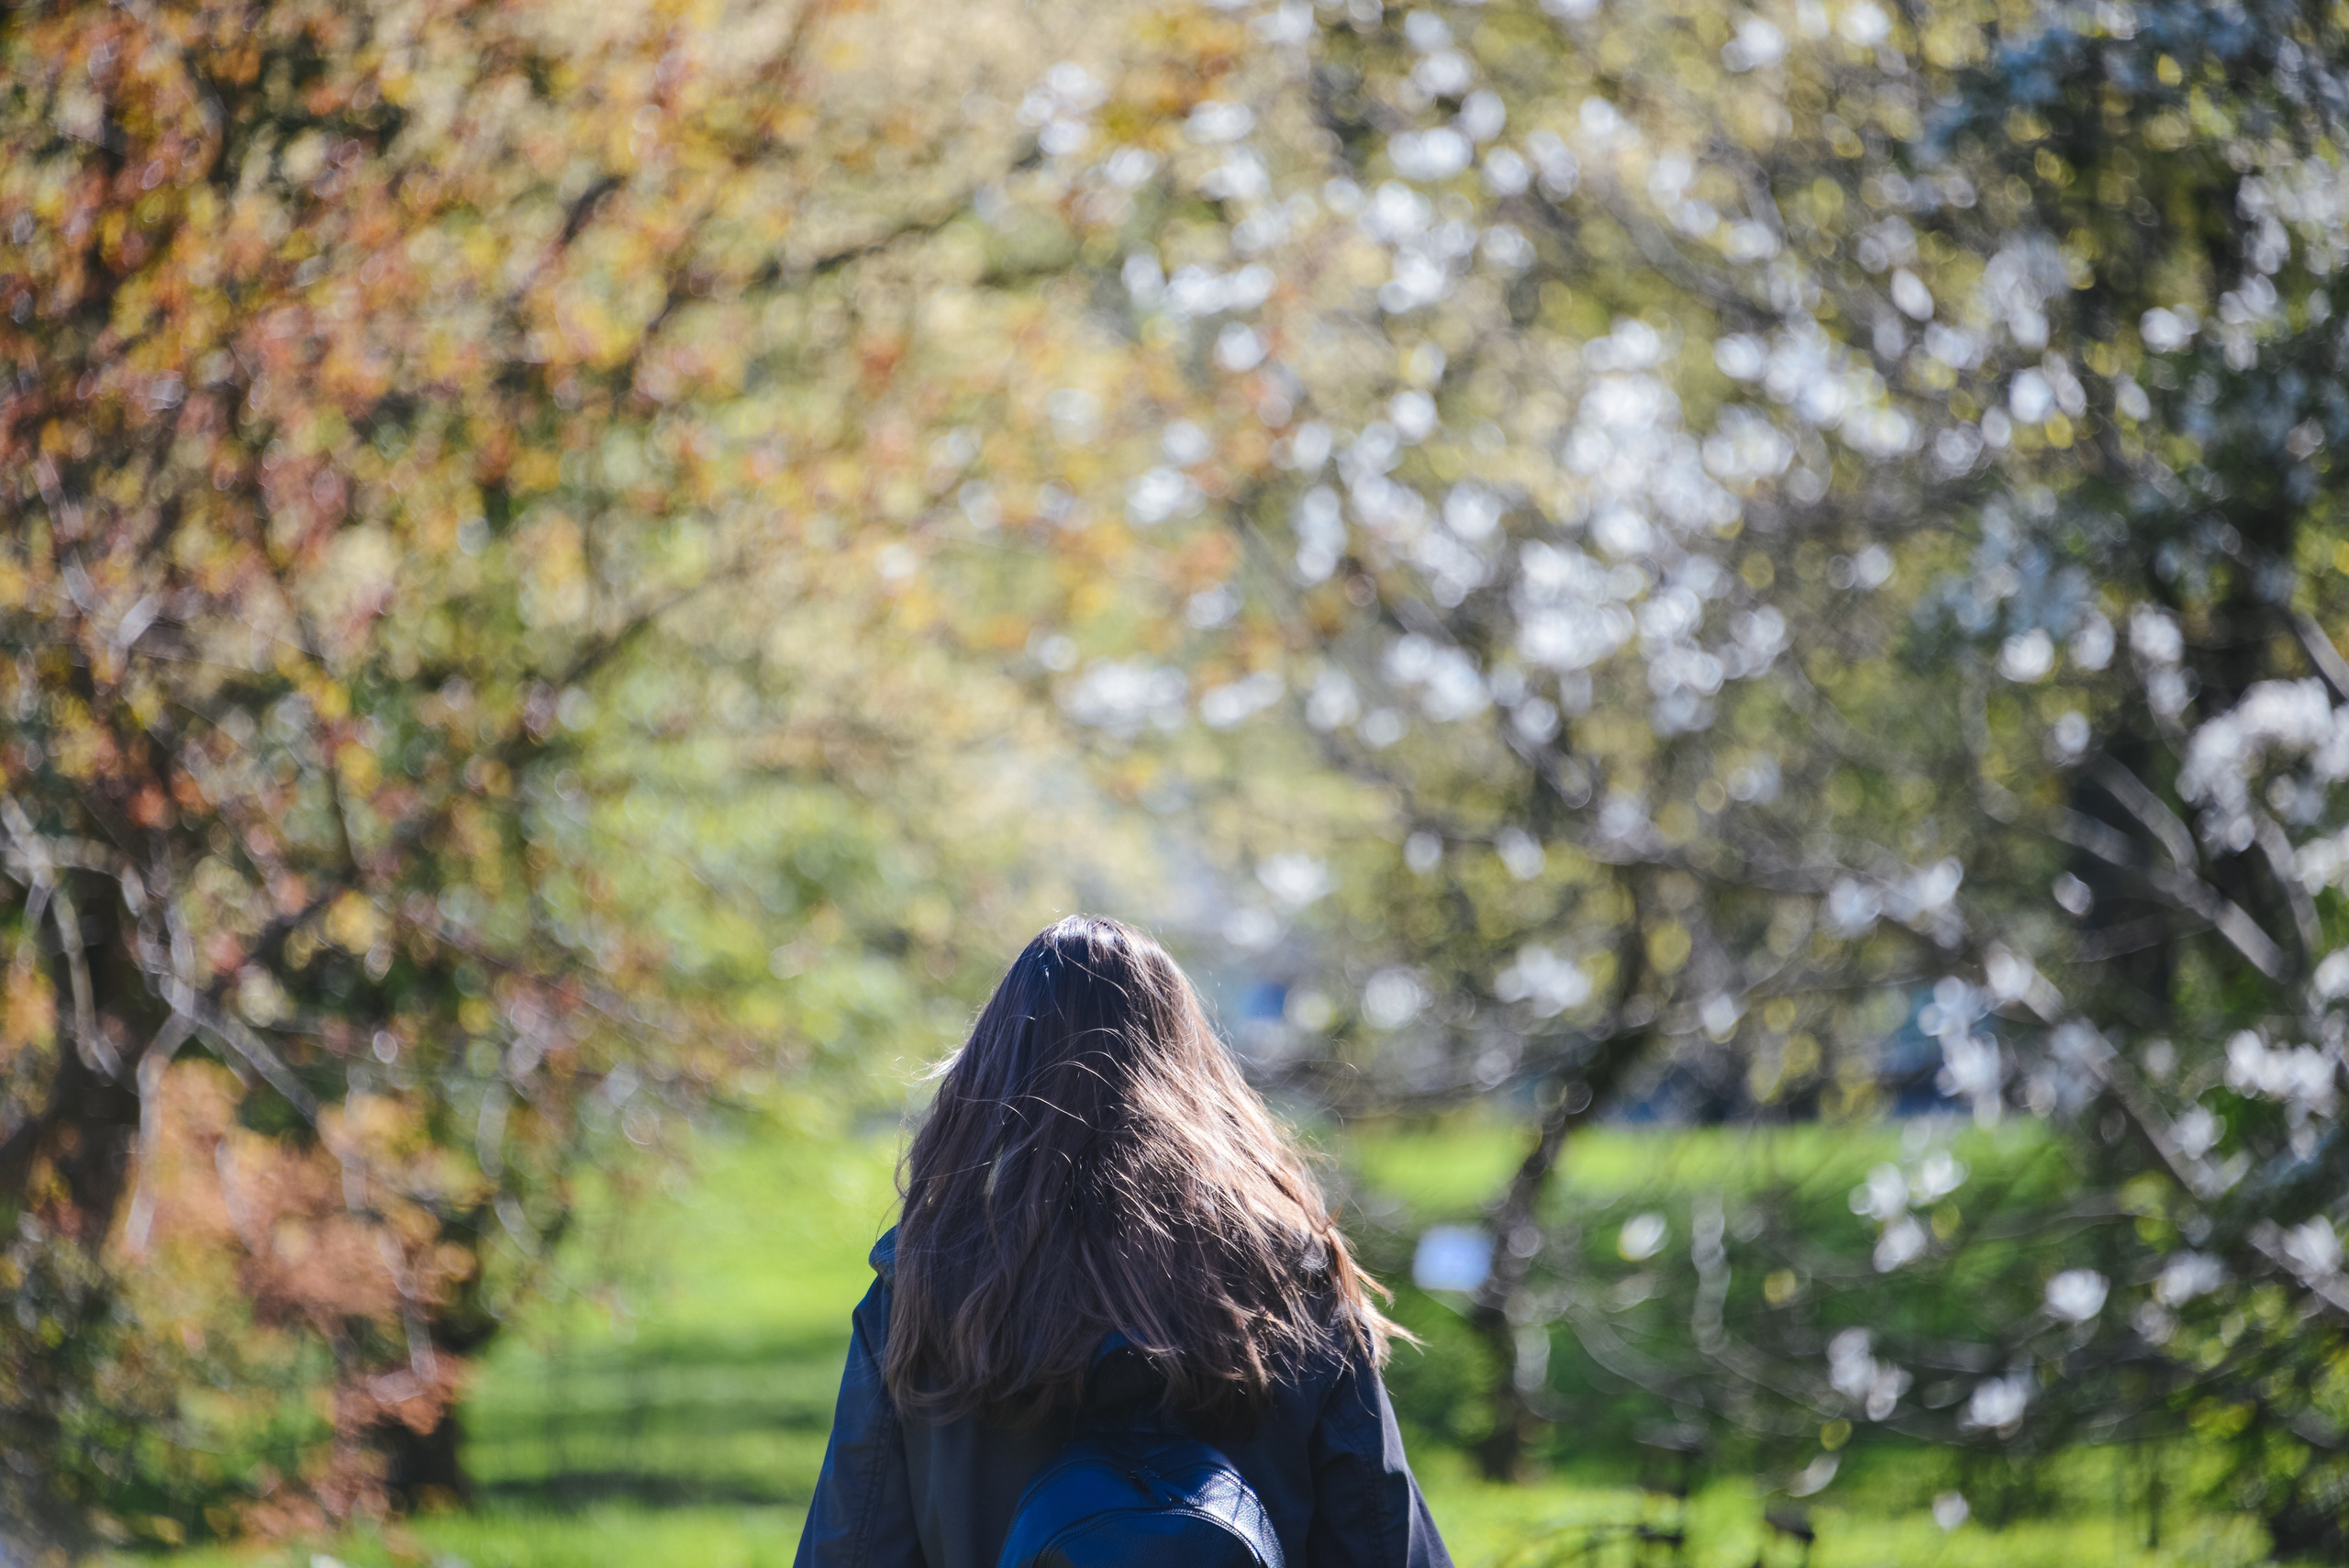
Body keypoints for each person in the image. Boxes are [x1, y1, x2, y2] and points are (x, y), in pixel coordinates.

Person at [794, 915, 1453, 1568]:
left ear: (994, 1072)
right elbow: (1381, 1539)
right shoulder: (1286, 1280)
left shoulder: (925, 1285)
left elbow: (853, 1546)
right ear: (1188, 1067)